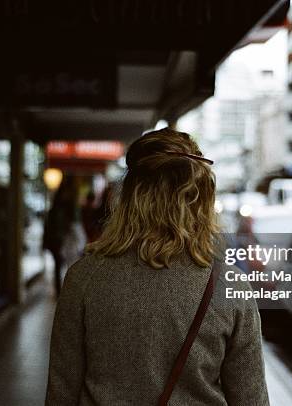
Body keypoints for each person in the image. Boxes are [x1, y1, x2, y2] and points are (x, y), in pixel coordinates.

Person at [46, 128, 269, 405]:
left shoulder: (83, 278)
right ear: (200, 203)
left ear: (128, 199)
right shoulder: (229, 285)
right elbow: (251, 398)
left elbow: (61, 393)